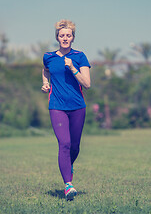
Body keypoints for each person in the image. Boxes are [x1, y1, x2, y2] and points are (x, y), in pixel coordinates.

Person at [41, 19, 91, 200]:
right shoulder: (49, 56)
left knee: (75, 146)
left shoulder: (80, 56)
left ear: (73, 38)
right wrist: (45, 82)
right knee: (64, 143)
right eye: (62, 35)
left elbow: (87, 84)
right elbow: (46, 70)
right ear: (57, 37)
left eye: (68, 35)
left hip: (78, 106)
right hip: (57, 106)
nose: (65, 38)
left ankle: (68, 166)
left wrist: (72, 67)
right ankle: (68, 185)